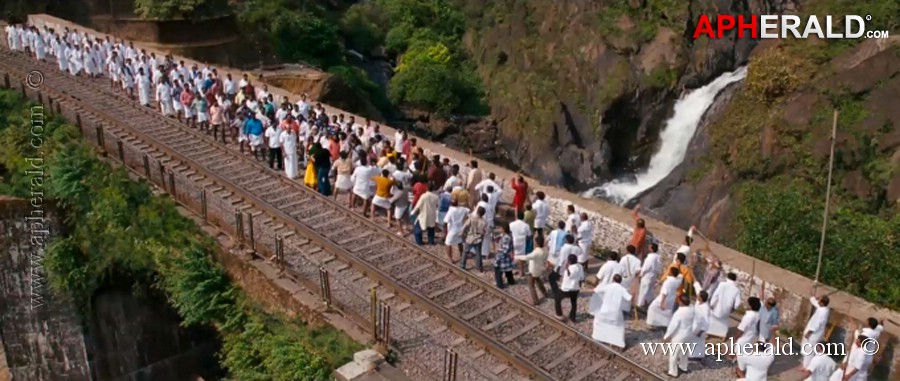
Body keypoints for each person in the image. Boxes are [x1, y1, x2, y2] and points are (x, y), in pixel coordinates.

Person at [588, 274, 632, 349]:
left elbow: (594, 291)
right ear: (620, 281)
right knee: (618, 327)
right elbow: (629, 298)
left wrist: (583, 290)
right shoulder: (622, 289)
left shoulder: (607, 287)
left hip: (604, 311)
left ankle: (598, 337)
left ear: (613, 279)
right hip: (615, 313)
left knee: (598, 323)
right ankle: (618, 343)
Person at [663, 294, 695, 378]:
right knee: (685, 352)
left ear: (681, 302)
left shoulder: (679, 313)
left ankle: (673, 372)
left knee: (674, 354)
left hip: (679, 336)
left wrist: (666, 336)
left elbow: (673, 326)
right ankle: (683, 367)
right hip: (689, 334)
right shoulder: (692, 308)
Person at [514, 235, 549, 305]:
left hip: (533, 270)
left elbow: (527, 257)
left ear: (537, 243)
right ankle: (545, 293)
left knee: (531, 285)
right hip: (540, 269)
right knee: (538, 281)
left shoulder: (536, 252)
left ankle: (535, 300)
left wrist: (516, 256)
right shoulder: (545, 250)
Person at [708, 272, 742, 338]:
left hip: (718, 306)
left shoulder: (722, 284)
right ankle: (722, 335)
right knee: (724, 322)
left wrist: (712, 304)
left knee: (713, 319)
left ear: (728, 277)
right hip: (727, 308)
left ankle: (709, 332)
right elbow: (738, 302)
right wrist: (734, 308)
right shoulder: (736, 289)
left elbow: (716, 295)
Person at [801, 294, 831, 367]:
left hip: (813, 334)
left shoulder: (822, 312)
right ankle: (806, 364)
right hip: (816, 333)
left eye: (819, 300)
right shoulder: (824, 309)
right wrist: (813, 297)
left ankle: (806, 367)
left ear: (822, 303)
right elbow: (815, 302)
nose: (818, 301)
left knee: (809, 350)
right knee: (810, 349)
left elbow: (816, 324)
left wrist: (809, 332)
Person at [555, 254, 584, 322]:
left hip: (566, 289)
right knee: (574, 303)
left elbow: (569, 275)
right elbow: (582, 278)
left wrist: (567, 268)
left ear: (569, 261)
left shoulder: (569, 268)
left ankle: (559, 314)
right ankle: (572, 318)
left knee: (557, 299)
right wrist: (579, 286)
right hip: (575, 289)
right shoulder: (580, 266)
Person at [460, 206, 488, 271]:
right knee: (478, 254)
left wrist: (462, 233)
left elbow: (465, 226)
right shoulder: (484, 222)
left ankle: (462, 265)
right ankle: (479, 267)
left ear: (477, 211)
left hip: (470, 237)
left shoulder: (471, 218)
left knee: (465, 252)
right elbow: (483, 232)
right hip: (478, 239)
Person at [637, 243, 662, 307]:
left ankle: (640, 305)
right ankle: (647, 303)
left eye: (649, 247)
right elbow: (659, 268)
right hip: (653, 276)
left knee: (643, 291)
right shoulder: (658, 257)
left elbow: (646, 267)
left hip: (647, 276)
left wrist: (640, 275)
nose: (648, 248)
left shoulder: (650, 257)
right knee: (649, 291)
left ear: (651, 249)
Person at [689, 291, 710, 360]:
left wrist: (701, 331)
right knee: (692, 341)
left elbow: (706, 320)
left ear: (701, 298)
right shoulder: (698, 303)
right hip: (694, 324)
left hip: (700, 327)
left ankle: (698, 356)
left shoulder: (705, 308)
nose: (697, 296)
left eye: (698, 295)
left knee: (699, 342)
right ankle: (690, 354)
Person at [509, 211, 532, 276]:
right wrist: (526, 240)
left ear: (517, 216)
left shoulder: (512, 224)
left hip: (514, 240)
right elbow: (530, 235)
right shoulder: (526, 225)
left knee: (512, 256)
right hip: (522, 242)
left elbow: (509, 233)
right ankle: (521, 271)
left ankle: (511, 270)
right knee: (521, 258)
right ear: (523, 217)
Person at [494, 224, 516, 289]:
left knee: (497, 270)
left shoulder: (506, 238)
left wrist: (498, 252)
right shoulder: (509, 234)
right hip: (508, 257)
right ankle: (511, 281)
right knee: (508, 270)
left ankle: (499, 285)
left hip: (503, 257)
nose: (499, 229)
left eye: (500, 228)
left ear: (503, 229)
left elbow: (505, 250)